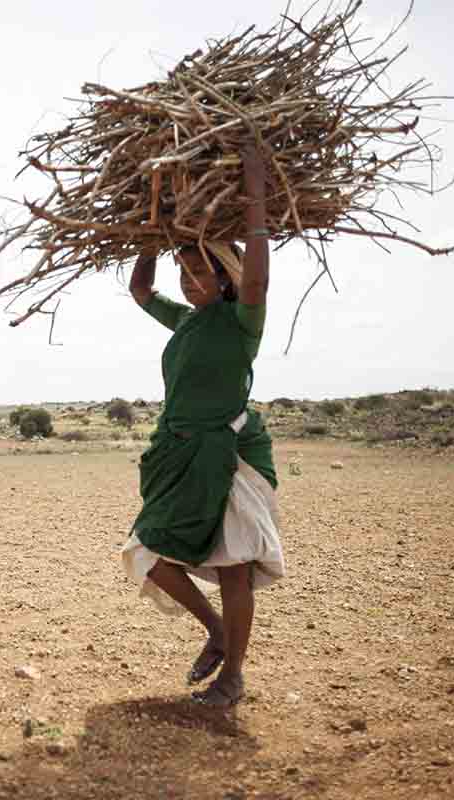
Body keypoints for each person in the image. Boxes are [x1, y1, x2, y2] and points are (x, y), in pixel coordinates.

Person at [121, 143, 284, 708]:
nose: (190, 282)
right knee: (150, 553)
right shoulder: (185, 321)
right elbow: (141, 291)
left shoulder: (243, 322)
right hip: (181, 453)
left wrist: (257, 198)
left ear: (226, 275)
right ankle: (215, 631)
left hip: (232, 453)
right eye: (184, 272)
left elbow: (259, 284)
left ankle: (233, 676)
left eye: (200, 272)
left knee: (234, 563)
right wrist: (147, 232)